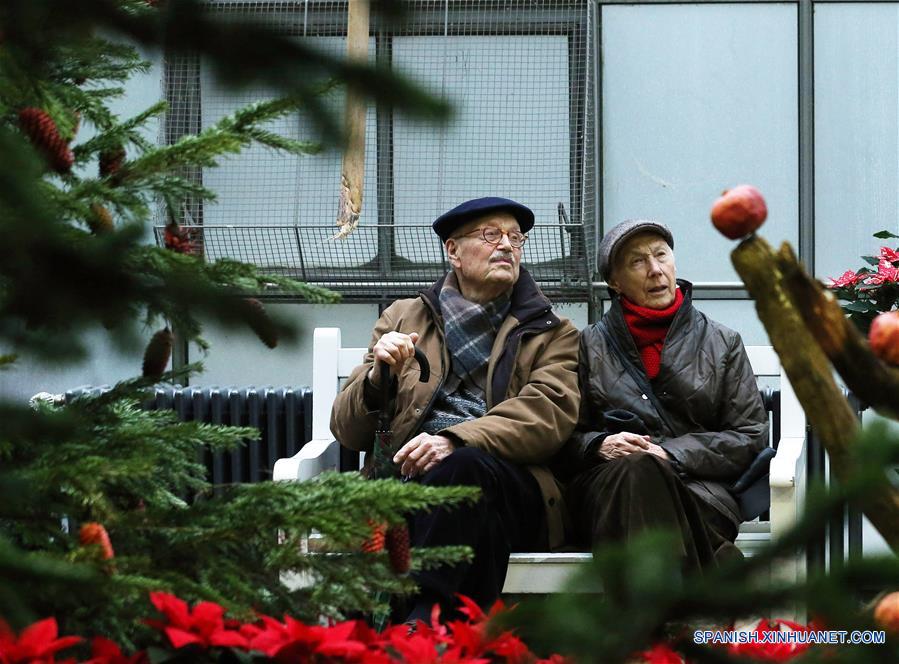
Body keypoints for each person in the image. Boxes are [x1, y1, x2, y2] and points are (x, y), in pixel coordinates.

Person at [330, 197, 580, 621]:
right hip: (413, 482)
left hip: (513, 484)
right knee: (476, 517)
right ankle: (446, 630)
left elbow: (547, 414)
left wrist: (454, 438)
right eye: (491, 235)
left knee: (464, 467)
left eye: (515, 237)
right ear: (453, 251)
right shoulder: (402, 317)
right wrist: (377, 381)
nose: (507, 246)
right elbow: (348, 431)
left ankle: (418, 615)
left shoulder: (552, 331)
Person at [560, 219, 768, 572]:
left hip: (700, 492)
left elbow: (748, 436)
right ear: (615, 282)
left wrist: (669, 453)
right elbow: (563, 434)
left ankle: (651, 625)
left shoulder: (722, 342)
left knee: (644, 474)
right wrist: (599, 445)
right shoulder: (587, 345)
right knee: (636, 473)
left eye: (661, 256)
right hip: (611, 490)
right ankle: (710, 567)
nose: (655, 270)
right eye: (638, 262)